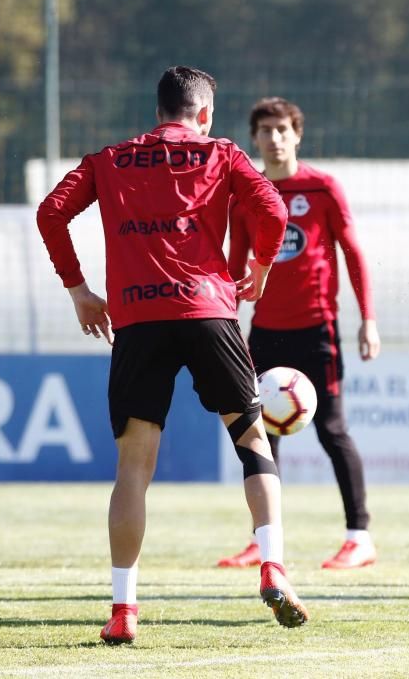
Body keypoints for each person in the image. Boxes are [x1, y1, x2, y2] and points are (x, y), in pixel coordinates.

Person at [37, 66, 309, 645]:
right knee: (253, 442)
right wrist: (258, 268)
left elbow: (50, 213)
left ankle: (123, 610)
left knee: (134, 469)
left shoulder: (108, 159)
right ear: (204, 113)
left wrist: (80, 291)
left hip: (137, 321)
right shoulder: (223, 153)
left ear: (158, 110)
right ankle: (272, 567)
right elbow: (274, 212)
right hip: (209, 313)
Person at [218, 97, 381, 571]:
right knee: (261, 438)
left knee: (332, 430)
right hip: (264, 332)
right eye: (265, 130)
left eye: (282, 129)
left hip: (317, 330)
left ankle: (359, 537)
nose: (274, 137)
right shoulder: (244, 193)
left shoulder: (322, 187)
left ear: (297, 134)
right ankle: (262, 541)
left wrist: (367, 320)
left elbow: (352, 253)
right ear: (254, 137)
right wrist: (225, 322)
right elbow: (234, 264)